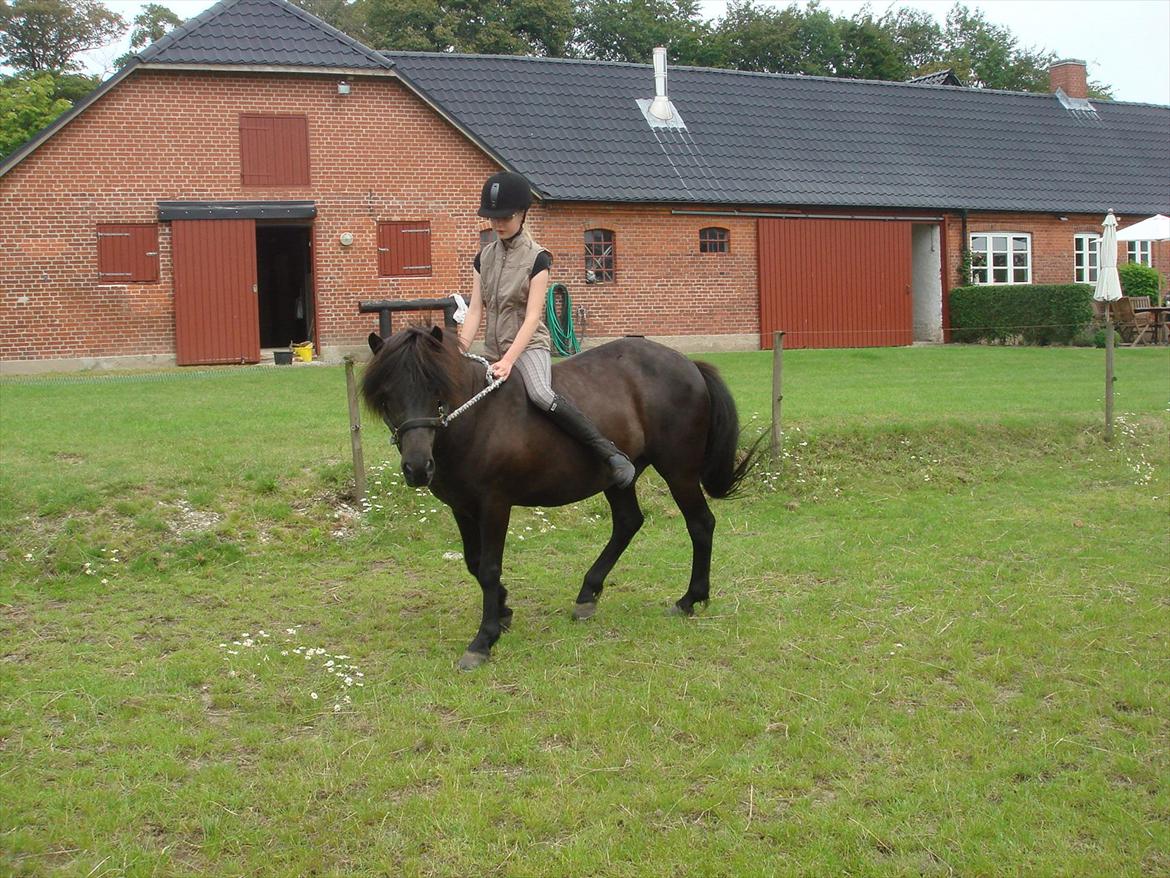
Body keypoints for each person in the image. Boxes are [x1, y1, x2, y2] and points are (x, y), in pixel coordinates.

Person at [458, 170, 635, 489]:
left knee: (539, 393)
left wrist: (510, 360)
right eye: (492, 217)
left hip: (528, 348)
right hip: (492, 350)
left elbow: (532, 317)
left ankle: (608, 454)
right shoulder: (483, 258)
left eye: (505, 217)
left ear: (523, 214)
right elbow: (474, 310)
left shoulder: (538, 259)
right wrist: (459, 349)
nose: (498, 224)